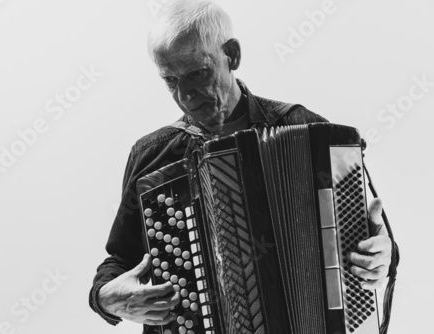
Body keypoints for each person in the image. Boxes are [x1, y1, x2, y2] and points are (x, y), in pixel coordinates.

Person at [89, 0, 399, 332]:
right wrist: (105, 298)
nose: (186, 96)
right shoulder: (153, 155)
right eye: (170, 80)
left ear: (232, 55)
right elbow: (119, 262)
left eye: (197, 73)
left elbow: (375, 243)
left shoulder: (312, 135)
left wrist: (383, 257)